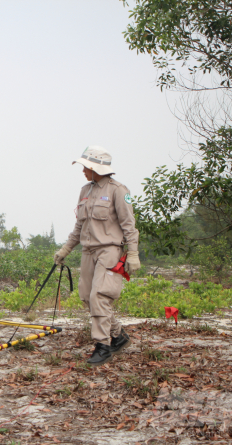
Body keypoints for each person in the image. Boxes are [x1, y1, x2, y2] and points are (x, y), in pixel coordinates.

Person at [54, 146, 140, 366]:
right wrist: (66, 249)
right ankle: (118, 336)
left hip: (109, 249)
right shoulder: (85, 190)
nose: (83, 171)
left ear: (97, 168)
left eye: (86, 167)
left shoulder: (118, 190)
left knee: (99, 296)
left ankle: (103, 346)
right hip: (88, 250)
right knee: (86, 296)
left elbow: (129, 225)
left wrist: (133, 253)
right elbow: (79, 225)